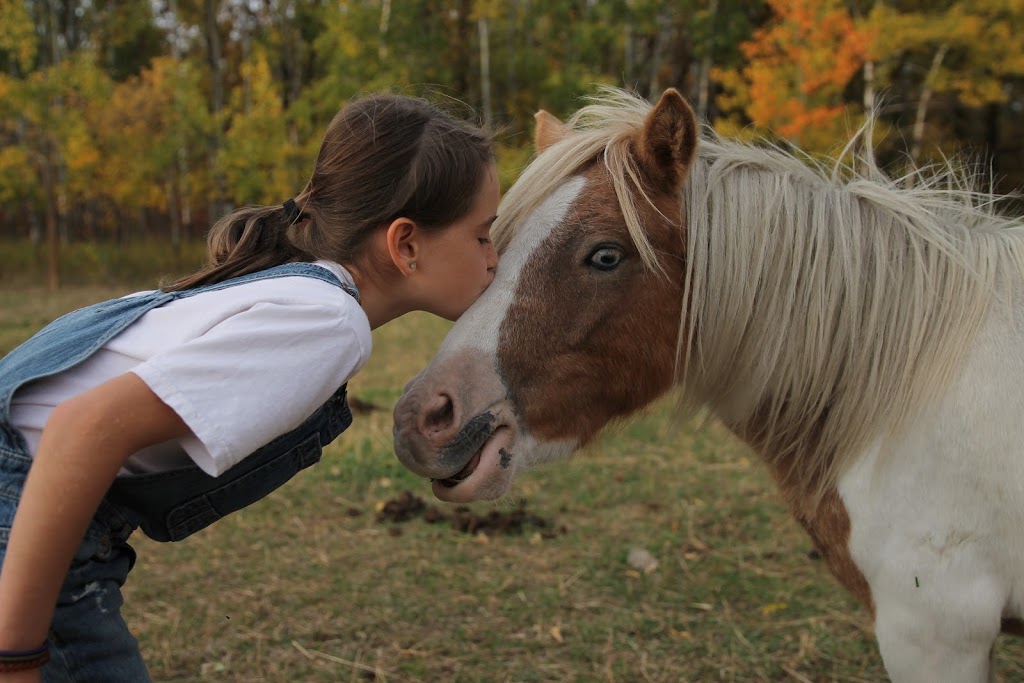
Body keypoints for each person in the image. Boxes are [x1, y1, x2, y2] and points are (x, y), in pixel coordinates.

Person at [0, 92, 499, 681]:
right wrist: (16, 657)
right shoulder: (326, 320)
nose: (495, 257)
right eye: (484, 235)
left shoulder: (290, 291)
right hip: (27, 518)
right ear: (405, 245)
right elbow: (79, 429)